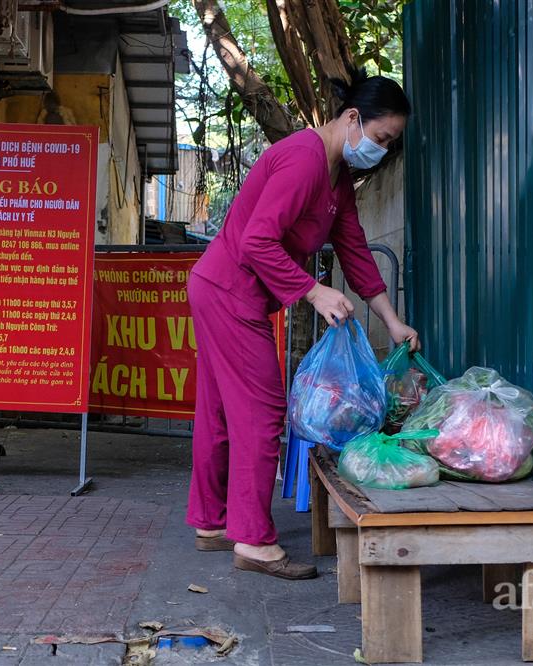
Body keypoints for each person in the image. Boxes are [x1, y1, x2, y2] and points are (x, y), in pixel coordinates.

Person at [185, 69, 420, 580]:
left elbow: (356, 252)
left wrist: (392, 322)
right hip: (230, 292)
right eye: (380, 138)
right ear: (353, 118)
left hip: (222, 289)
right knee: (263, 412)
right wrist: (313, 291)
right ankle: (252, 541)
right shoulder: (304, 159)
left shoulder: (337, 177)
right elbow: (256, 242)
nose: (380, 150)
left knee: (222, 411)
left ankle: (211, 522)